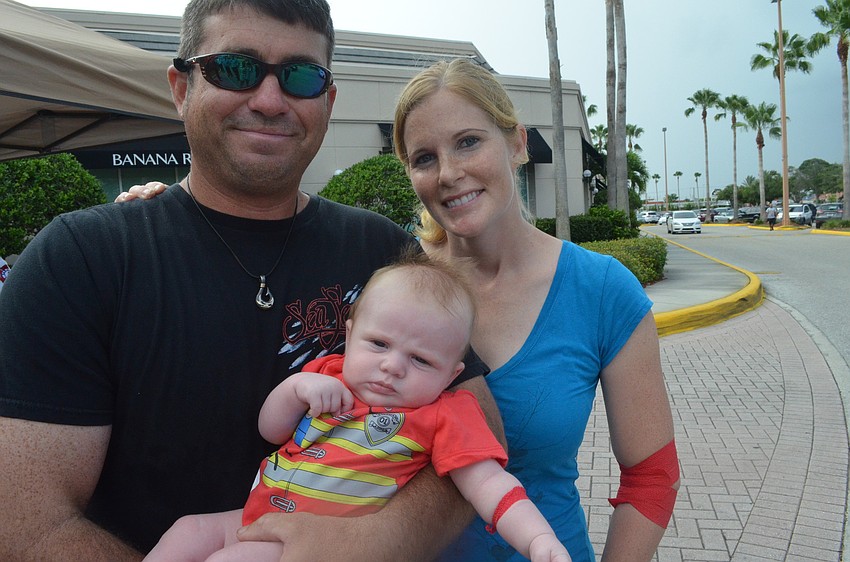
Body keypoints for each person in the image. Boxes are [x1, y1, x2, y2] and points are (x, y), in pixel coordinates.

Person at [116, 58, 680, 561]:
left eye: (468, 142)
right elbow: (259, 249)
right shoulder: (388, 267)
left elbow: (652, 475)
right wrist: (169, 219)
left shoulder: (602, 289)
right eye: (424, 157)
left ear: (515, 142)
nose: (448, 173)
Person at [0, 2, 502, 560]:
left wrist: (367, 542)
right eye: (235, 68)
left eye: (301, 77)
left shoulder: (382, 252)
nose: (269, 100)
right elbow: (28, 523)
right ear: (180, 86)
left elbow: (481, 431)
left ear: (327, 101)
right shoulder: (80, 259)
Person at [145, 254, 570, 562]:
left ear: (451, 374)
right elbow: (271, 430)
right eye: (379, 344)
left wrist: (537, 538)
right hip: (257, 514)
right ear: (350, 335)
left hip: (318, 543)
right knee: (188, 531)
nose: (392, 367)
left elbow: (489, 485)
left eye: (421, 360)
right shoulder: (326, 375)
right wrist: (295, 388)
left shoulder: (444, 414)